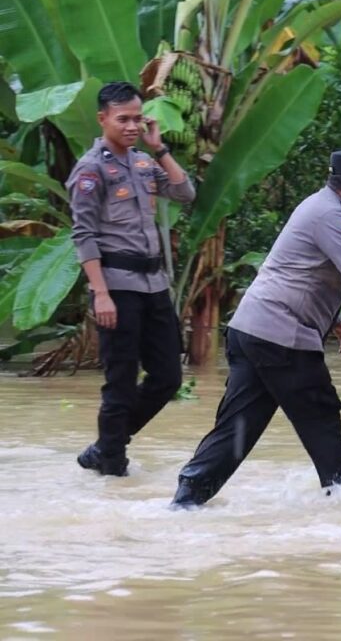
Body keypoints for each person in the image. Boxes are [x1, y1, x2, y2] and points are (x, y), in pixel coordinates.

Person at [171, 150, 341, 507]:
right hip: (281, 337)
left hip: (252, 329)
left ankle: (185, 501)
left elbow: (301, 271)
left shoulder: (322, 208)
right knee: (321, 419)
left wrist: (336, 321)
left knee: (238, 428)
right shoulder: (330, 215)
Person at [68, 81, 196, 477]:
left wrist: (159, 147)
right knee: (120, 382)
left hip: (154, 286)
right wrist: (100, 294)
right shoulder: (91, 170)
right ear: (102, 118)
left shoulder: (143, 162)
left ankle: (107, 447)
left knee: (168, 377)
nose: (131, 126)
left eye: (137, 119)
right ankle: (112, 469)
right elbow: (84, 235)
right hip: (117, 287)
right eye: (123, 119)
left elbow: (185, 192)